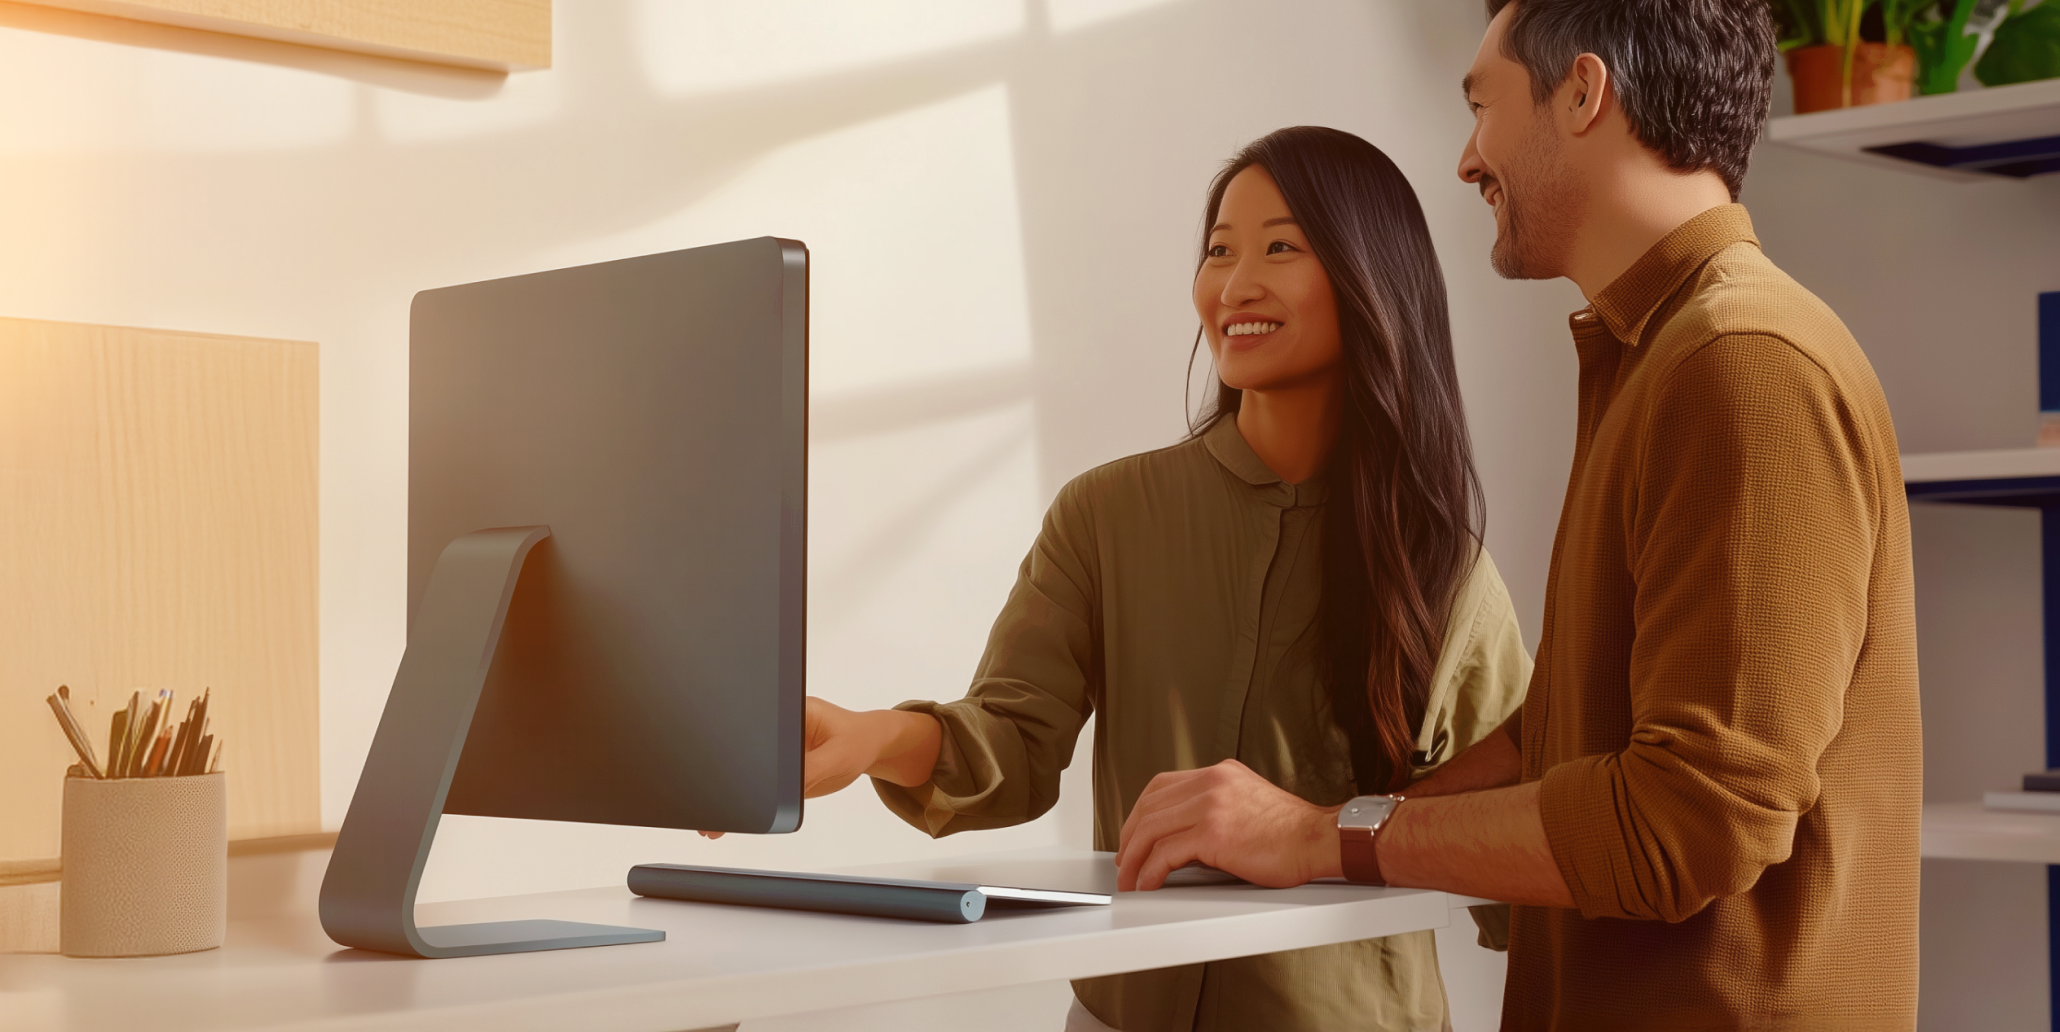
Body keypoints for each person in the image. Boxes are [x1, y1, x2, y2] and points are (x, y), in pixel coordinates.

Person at [1110, 2, 1921, 1029]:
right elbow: (1571, 729)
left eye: (1480, 106)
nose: (1463, 159)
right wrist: (1331, 823)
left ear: (1582, 94)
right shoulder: (1659, 354)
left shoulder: (1737, 363)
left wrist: (1324, 841)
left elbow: (1691, 821)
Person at [774, 126, 1533, 1032]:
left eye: (1279, 247)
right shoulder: (1105, 515)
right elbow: (1012, 741)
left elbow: (1515, 839)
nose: (1234, 284)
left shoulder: (1447, 573)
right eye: (1219, 251)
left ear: (1374, 277)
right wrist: (870, 738)